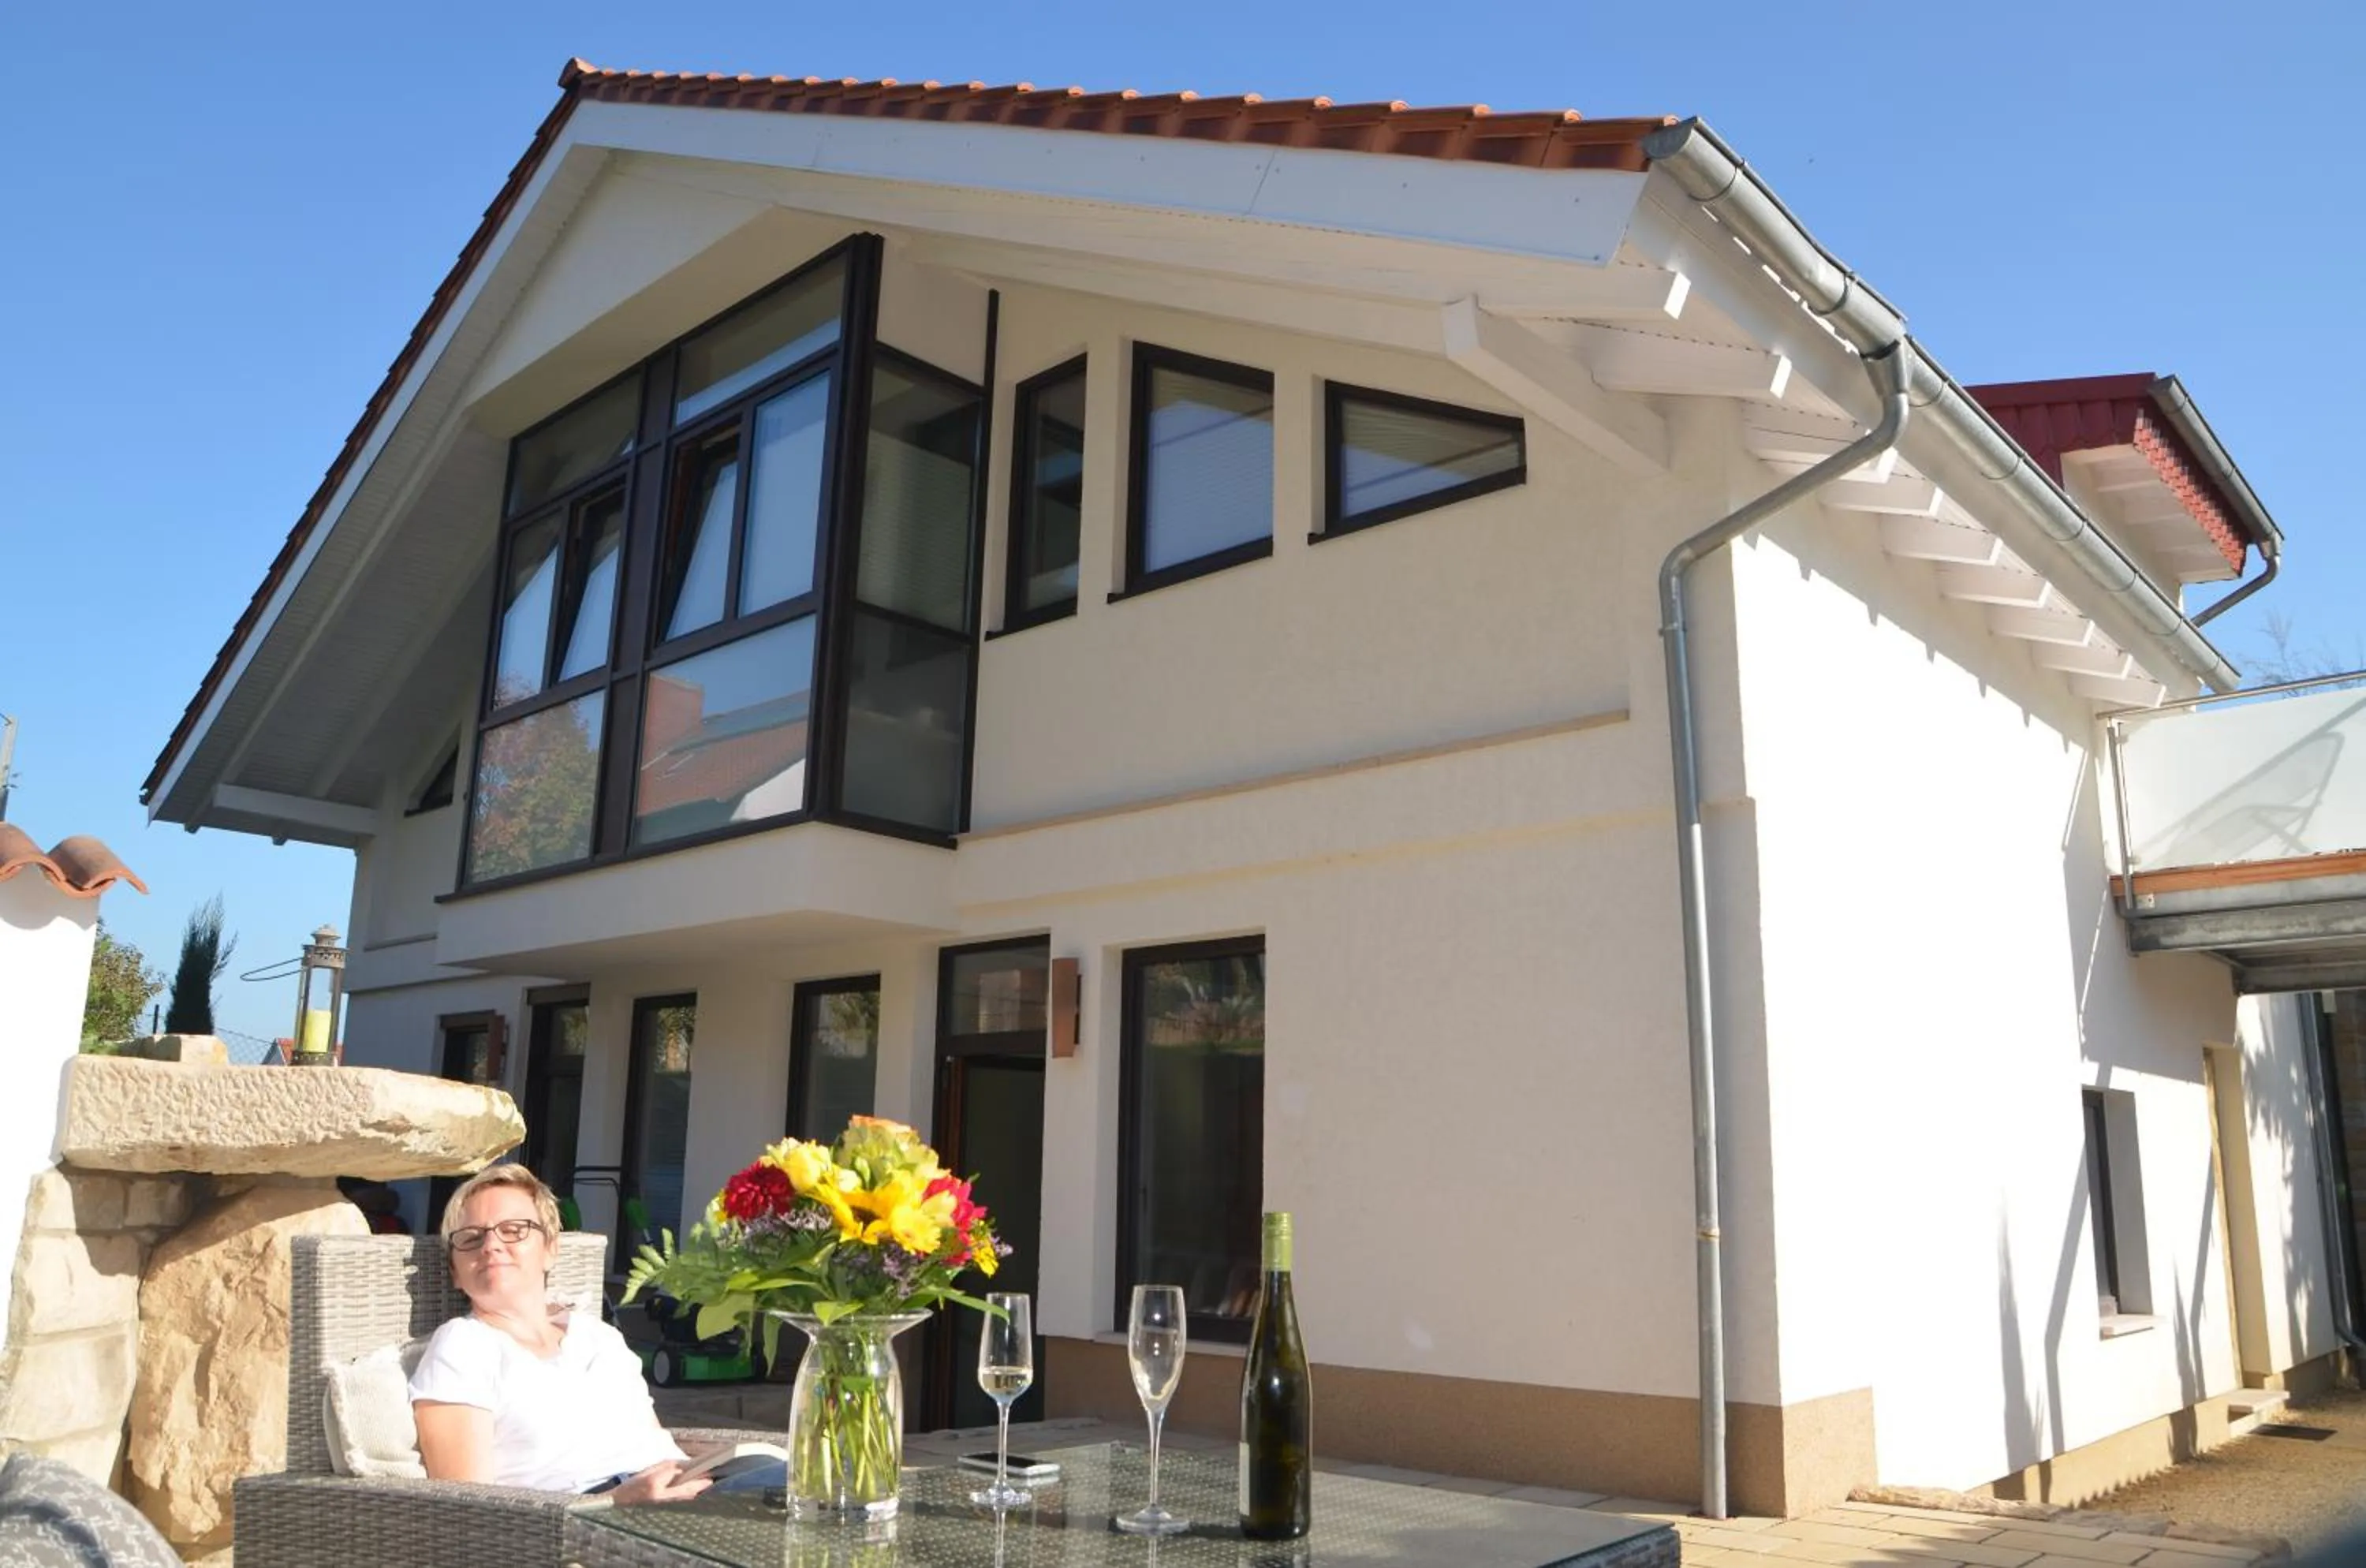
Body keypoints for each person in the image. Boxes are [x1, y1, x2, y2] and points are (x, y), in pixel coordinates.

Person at [408, 1164, 715, 1503]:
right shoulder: (463, 1347)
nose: (491, 1245)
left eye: (514, 1230)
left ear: (550, 1249)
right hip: (594, 1523)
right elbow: (465, 1507)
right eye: (471, 1238)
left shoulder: (600, 1338)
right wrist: (617, 1501)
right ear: (455, 1271)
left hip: (690, 1491)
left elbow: (653, 1444)